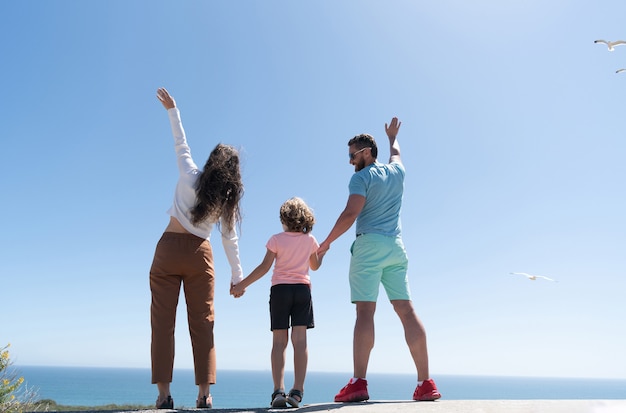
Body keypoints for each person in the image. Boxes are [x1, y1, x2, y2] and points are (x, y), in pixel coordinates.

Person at [317, 117, 441, 402]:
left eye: (352, 155)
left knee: (364, 313)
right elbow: (396, 153)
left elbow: (350, 214)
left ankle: (358, 383)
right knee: (407, 312)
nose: (349, 161)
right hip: (396, 247)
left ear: (366, 153)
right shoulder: (397, 171)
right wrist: (392, 137)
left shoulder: (361, 178)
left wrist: (326, 243)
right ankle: (426, 383)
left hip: (369, 247)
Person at [150, 87, 244, 409]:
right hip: (200, 255)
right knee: (203, 322)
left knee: (163, 323)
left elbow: (181, 143)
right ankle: (204, 394)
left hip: (168, 250)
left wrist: (173, 110)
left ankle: (164, 395)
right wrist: (237, 276)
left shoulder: (190, 175)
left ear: (211, 162)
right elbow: (230, 239)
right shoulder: (224, 202)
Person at [230, 197, 323, 408]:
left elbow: (264, 268)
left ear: (284, 219)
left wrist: (241, 285)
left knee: (279, 343)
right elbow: (315, 266)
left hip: (280, 291)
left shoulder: (276, 239)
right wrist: (321, 254)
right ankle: (297, 392)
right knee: (300, 342)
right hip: (302, 291)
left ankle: (278, 392)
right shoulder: (310, 240)